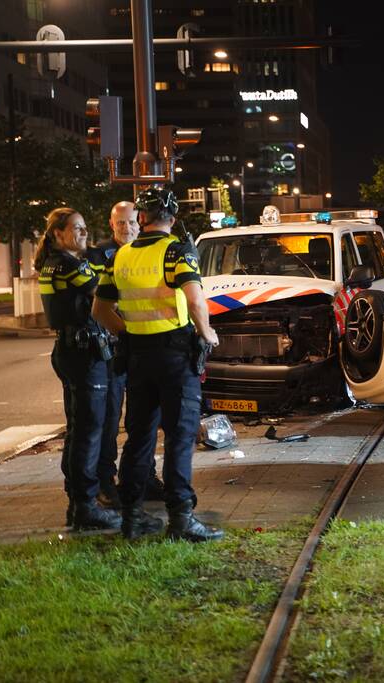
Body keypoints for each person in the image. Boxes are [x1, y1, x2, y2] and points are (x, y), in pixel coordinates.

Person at [93, 188, 224, 542]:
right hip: (176, 356)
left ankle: (132, 518)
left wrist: (131, 332)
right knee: (180, 438)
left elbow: (100, 311)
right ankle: (181, 519)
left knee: (139, 438)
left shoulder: (118, 257)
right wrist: (207, 334)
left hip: (137, 357)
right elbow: (196, 301)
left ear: (142, 218)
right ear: (174, 218)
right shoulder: (178, 251)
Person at [36, 208, 121, 531]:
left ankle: (77, 502)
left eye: (85, 228)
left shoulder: (53, 263)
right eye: (76, 229)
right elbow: (106, 293)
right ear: (58, 234)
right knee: (89, 430)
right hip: (84, 353)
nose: (84, 233)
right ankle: (85, 507)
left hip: (71, 349)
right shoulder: (70, 266)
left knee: (78, 429)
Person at [87, 201, 164, 507]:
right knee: (108, 418)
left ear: (141, 222)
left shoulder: (148, 250)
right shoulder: (97, 256)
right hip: (112, 348)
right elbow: (98, 304)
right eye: (121, 223)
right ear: (112, 224)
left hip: (144, 347)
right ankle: (105, 482)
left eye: (133, 222)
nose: (128, 228)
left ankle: (145, 477)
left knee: (143, 418)